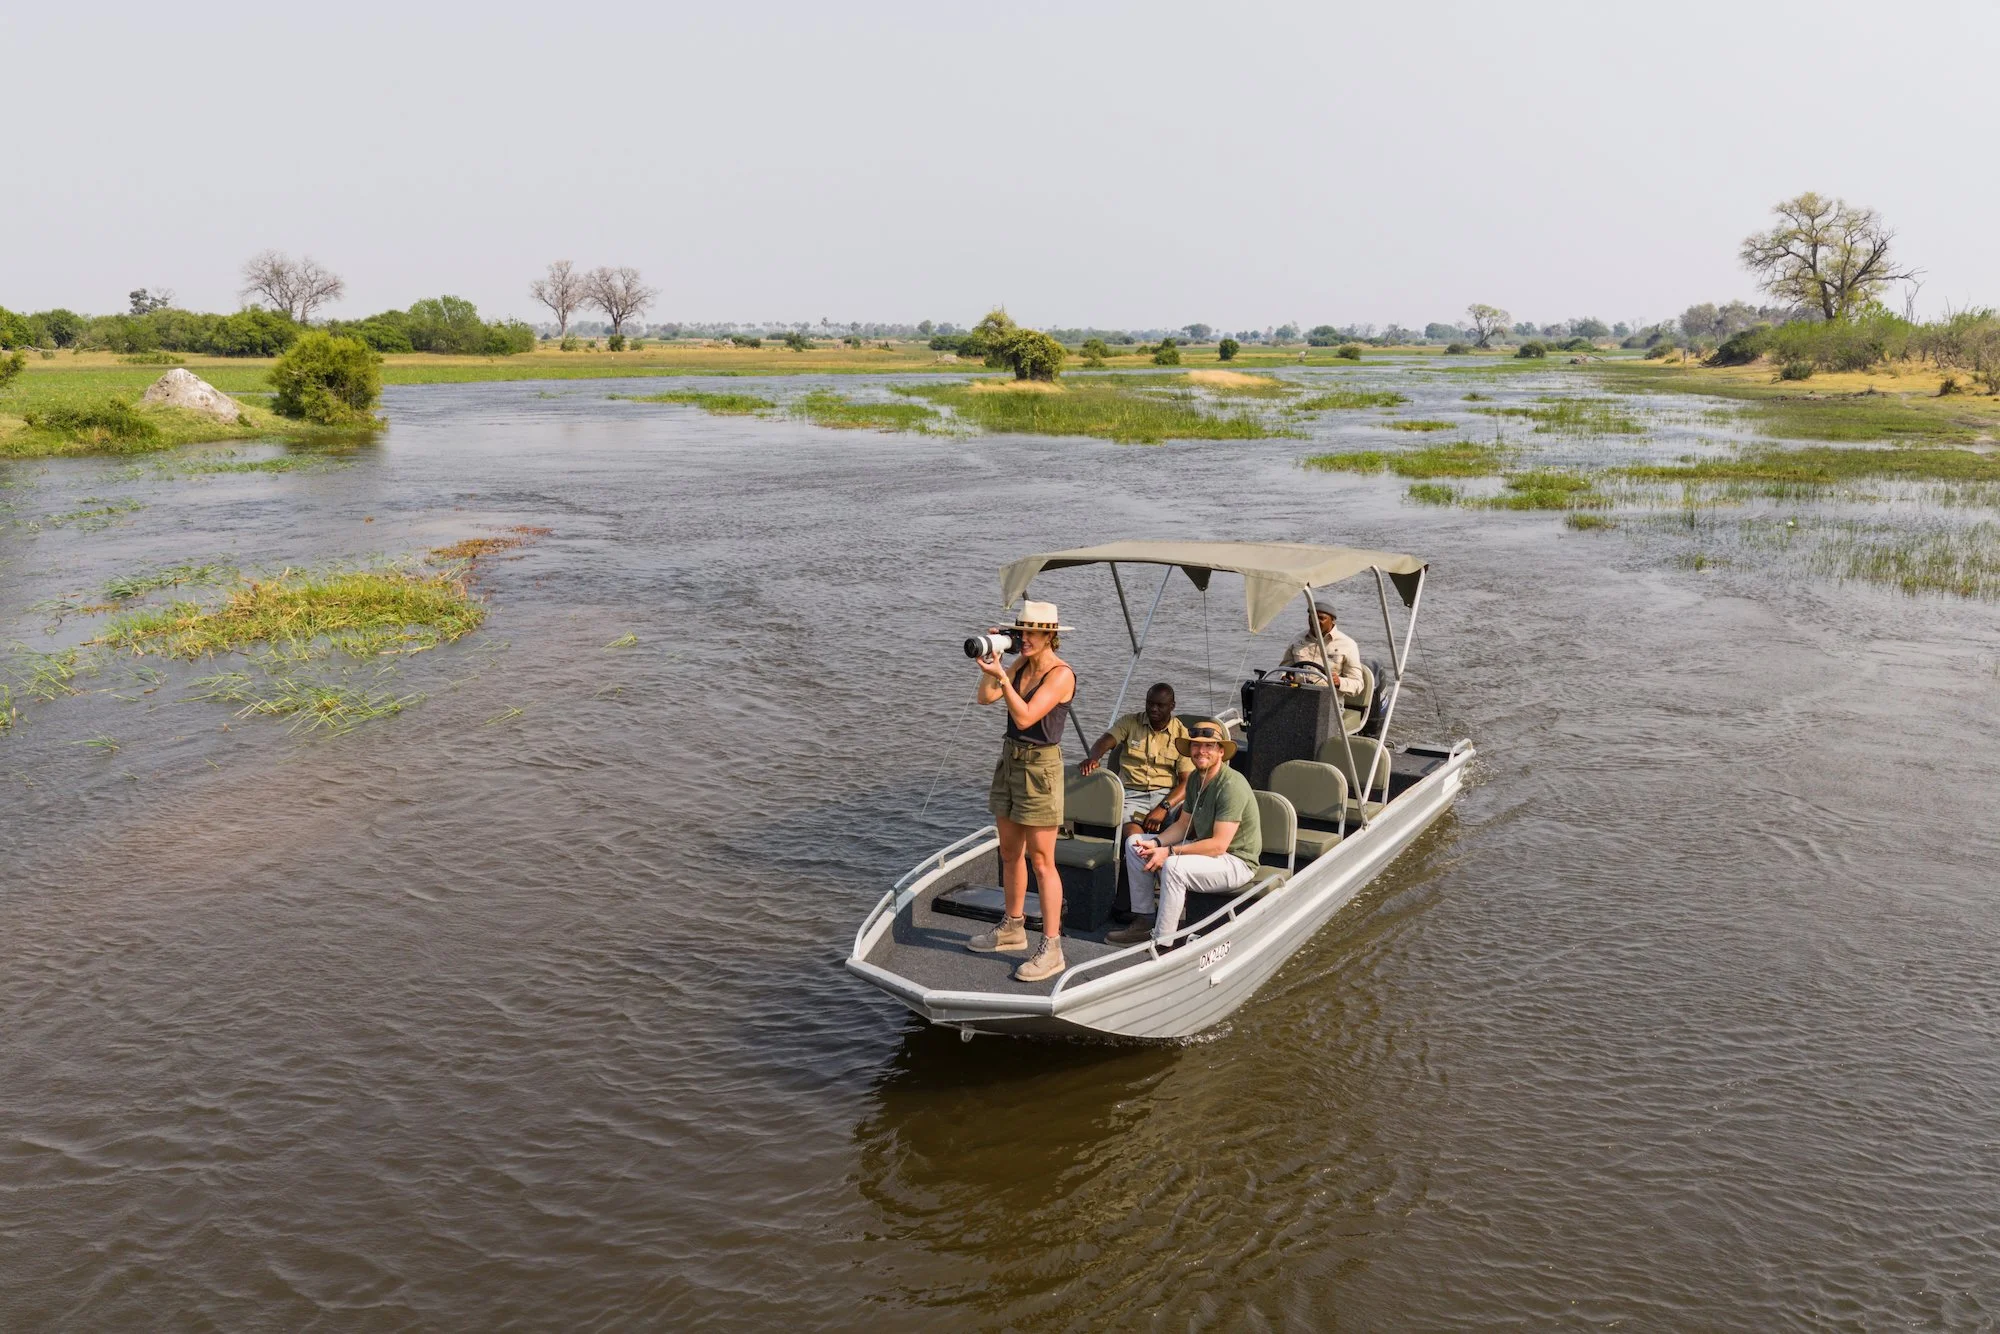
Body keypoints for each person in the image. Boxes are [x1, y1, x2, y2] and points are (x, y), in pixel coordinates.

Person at [965, 600, 1077, 983]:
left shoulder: (1061, 675)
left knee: (1043, 861)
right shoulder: (1021, 664)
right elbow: (986, 698)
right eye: (1019, 632)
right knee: (1010, 852)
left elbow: (1027, 715)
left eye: (1030, 633)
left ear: (1050, 636)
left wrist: (1004, 676)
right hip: (1010, 761)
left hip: (1041, 769)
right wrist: (992, 667)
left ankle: (1052, 947)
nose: (1022, 639)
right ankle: (1013, 927)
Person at [1109, 719, 1262, 947]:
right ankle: (1144, 920)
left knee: (1173, 866)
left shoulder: (1230, 785)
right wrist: (1157, 843)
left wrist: (1168, 852)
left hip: (1236, 861)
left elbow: (1219, 845)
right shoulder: (1194, 780)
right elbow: (1182, 825)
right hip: (1206, 852)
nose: (1201, 751)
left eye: (1209, 746)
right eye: (1196, 746)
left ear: (1221, 751)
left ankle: (1163, 942)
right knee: (1135, 844)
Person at [1077, 682, 1193, 839]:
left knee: (1190, 821)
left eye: (1160, 705)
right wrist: (1094, 758)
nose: (1153, 709)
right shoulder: (1130, 722)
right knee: (1133, 837)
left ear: (1172, 706)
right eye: (1150, 703)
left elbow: (1187, 783)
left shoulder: (1182, 734)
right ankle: (1136, 857)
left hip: (1167, 796)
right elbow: (1105, 740)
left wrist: (1163, 808)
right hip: (1132, 796)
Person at [1281, 604, 1364, 699]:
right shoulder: (1297, 639)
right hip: (1295, 697)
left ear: (1332, 620)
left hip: (1330, 703)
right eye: (1311, 617)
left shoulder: (1348, 644)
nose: (1314, 622)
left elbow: (1358, 685)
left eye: (1321, 618)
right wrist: (1284, 677)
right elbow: (1284, 668)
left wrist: (1339, 682)